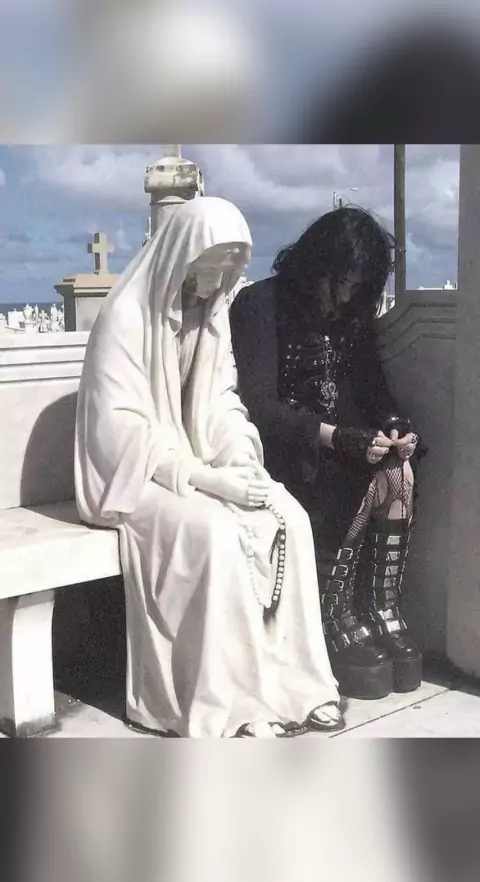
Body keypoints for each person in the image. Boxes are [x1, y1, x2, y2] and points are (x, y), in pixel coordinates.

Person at [75, 196, 343, 738]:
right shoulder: (126, 317)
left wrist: (240, 459)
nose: (219, 279)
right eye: (212, 264)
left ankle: (297, 685)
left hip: (194, 462)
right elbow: (118, 430)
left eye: (230, 267)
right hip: (132, 476)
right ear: (181, 254)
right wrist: (204, 478)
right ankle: (229, 701)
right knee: (215, 533)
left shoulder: (210, 316)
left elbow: (221, 401)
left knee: (289, 517)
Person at [230, 206, 425, 701]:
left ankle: (381, 604)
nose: (343, 296)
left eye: (356, 287)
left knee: (398, 470)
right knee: (365, 476)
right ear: (315, 264)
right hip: (286, 452)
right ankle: (332, 613)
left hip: (345, 445)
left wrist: (396, 427)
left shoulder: (353, 315)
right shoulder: (260, 304)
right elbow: (259, 405)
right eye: (338, 282)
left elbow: (374, 389)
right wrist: (335, 437)